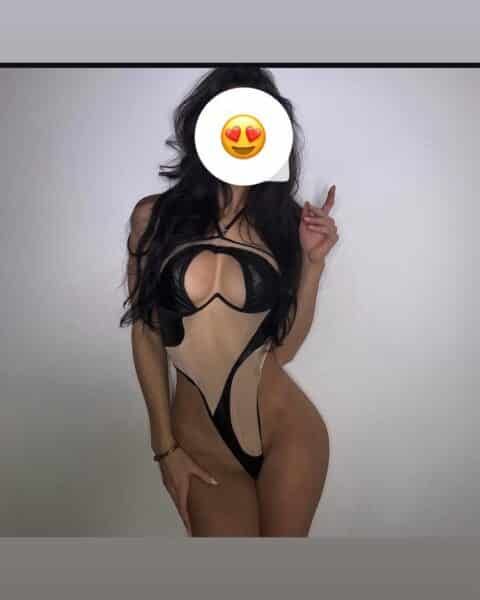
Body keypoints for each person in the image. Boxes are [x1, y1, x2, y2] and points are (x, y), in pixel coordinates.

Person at [120, 66, 339, 537]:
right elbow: (145, 333)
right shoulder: (153, 218)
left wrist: (313, 264)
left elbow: (284, 350)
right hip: (201, 446)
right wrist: (164, 449)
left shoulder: (286, 225)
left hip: (287, 432)